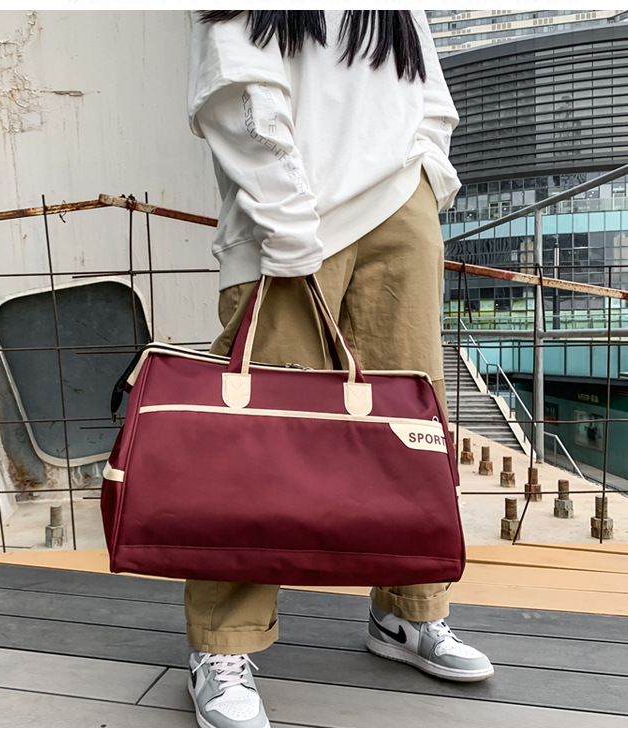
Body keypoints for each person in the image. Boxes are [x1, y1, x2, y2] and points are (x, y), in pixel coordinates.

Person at [185, 10, 493, 729]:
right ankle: (222, 644)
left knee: (413, 426)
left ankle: (409, 609)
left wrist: (424, 175)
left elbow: (423, 80)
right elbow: (235, 78)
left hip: (401, 203)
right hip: (287, 215)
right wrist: (284, 213)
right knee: (258, 436)